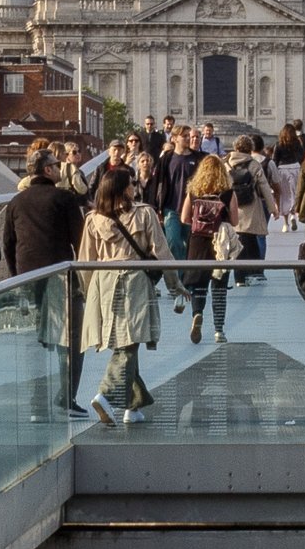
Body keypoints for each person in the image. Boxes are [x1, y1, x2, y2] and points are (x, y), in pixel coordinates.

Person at [79, 165, 176, 426]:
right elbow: (162, 251)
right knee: (128, 343)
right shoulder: (144, 214)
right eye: (132, 182)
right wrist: (176, 284)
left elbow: (85, 261)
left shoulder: (92, 219)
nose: (135, 186)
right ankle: (107, 394)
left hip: (104, 284)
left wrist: (88, 295)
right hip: (134, 282)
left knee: (125, 340)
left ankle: (134, 406)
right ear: (124, 189)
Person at [3, 144, 87, 418]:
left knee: (35, 344)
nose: (61, 169)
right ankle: (66, 398)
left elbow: (8, 244)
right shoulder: (64, 199)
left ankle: (37, 405)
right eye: (56, 165)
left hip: (28, 278)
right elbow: (80, 242)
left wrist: (17, 277)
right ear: (48, 170)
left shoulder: (16, 202)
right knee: (72, 339)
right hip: (62, 276)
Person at [179, 152, 240, 346]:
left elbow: (184, 218)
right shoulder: (228, 192)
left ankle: (197, 314)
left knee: (199, 285)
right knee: (219, 287)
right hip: (220, 242)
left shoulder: (194, 191)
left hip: (198, 241)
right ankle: (219, 331)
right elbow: (236, 220)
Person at [226, 133, 272, 277]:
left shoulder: (226, 163)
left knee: (237, 241)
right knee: (251, 240)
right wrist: (273, 208)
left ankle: (239, 276)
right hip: (251, 206)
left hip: (232, 207)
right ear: (250, 149)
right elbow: (264, 187)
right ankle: (254, 272)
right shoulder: (254, 164)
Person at [156, 125, 200, 258]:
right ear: (174, 138)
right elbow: (157, 183)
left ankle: (186, 275)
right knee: (173, 242)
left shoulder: (198, 158)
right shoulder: (166, 159)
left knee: (190, 244)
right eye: (184, 136)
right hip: (171, 208)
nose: (188, 138)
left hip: (193, 210)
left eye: (189, 135)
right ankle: (179, 276)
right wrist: (157, 207)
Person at [273, 125, 303, 227]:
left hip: (282, 169)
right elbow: (301, 157)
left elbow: (275, 160)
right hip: (295, 168)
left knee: (284, 195)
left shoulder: (278, 144)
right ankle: (293, 215)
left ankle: (285, 223)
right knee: (294, 193)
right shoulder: (297, 143)